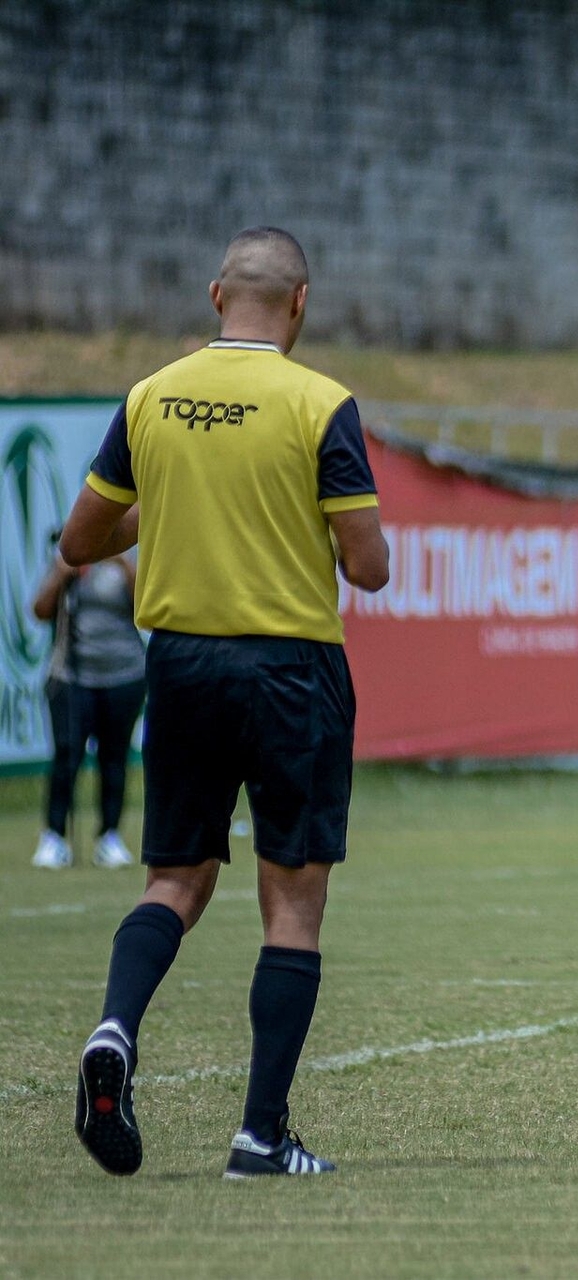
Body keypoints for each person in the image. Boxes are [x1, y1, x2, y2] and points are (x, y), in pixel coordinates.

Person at [58, 226, 390, 1178]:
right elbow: (368, 567)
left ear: (215, 295)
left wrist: (170, 504)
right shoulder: (320, 404)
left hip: (181, 665)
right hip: (290, 670)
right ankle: (259, 1136)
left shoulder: (151, 397)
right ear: (300, 303)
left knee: (173, 880)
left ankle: (116, 1029)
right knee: (293, 903)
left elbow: (80, 543)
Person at [29, 534, 146, 870]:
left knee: (114, 757)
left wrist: (123, 564)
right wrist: (62, 573)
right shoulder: (68, 555)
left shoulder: (128, 557)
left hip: (124, 675)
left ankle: (109, 836)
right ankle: (54, 836)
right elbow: (40, 610)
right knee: (67, 755)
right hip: (71, 676)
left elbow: (145, 608)